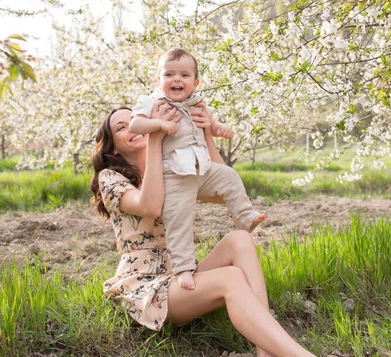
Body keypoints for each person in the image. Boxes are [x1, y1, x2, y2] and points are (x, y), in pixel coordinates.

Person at [90, 105, 315, 357]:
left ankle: (265, 350)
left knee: (239, 239)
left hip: (182, 274)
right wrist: (155, 139)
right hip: (147, 287)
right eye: (122, 127)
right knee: (230, 277)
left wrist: (206, 134)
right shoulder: (110, 178)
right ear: (112, 147)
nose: (133, 126)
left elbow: (221, 192)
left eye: (134, 120)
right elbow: (150, 205)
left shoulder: (171, 169)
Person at [128, 48, 265, 291]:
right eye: (169, 74)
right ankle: (183, 268)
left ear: (196, 82)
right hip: (175, 175)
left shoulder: (197, 103)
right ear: (158, 80)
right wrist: (158, 123)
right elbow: (135, 125)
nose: (177, 79)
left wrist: (219, 128)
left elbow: (208, 125)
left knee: (230, 176)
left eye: (184, 75)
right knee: (179, 220)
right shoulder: (152, 103)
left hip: (201, 168)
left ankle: (244, 216)